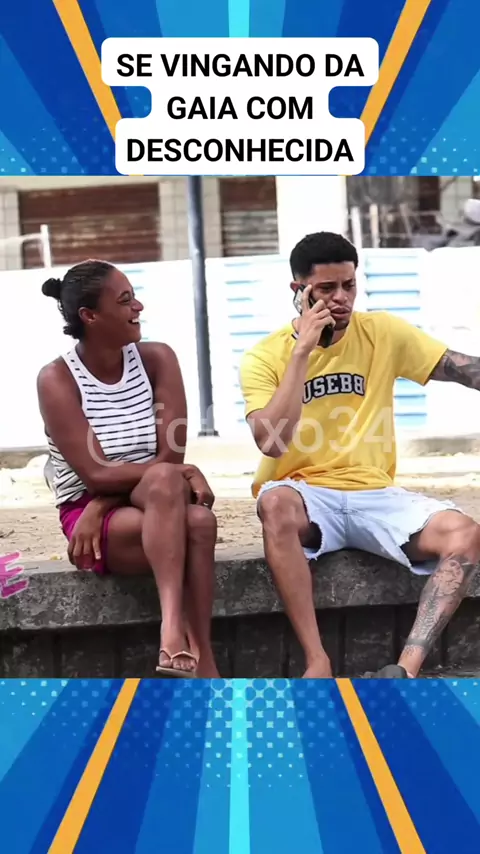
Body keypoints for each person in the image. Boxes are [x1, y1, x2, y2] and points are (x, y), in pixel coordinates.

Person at [239, 231, 480, 679]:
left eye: (349, 285)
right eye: (326, 288)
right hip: (306, 496)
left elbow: (462, 368)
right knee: (273, 503)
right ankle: (317, 660)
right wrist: (302, 352)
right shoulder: (264, 357)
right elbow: (271, 443)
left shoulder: (382, 332)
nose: (341, 298)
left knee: (465, 533)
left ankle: (405, 670)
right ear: (299, 290)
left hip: (376, 494)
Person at [37, 259, 219, 679]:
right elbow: (96, 475)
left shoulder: (157, 360)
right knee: (197, 522)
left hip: (144, 498)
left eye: (134, 297)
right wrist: (98, 504)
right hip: (89, 519)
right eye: (125, 301)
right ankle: (193, 651)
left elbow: (170, 459)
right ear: (90, 316)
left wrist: (103, 503)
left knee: (184, 503)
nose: (138, 307)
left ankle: (186, 647)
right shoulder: (57, 379)